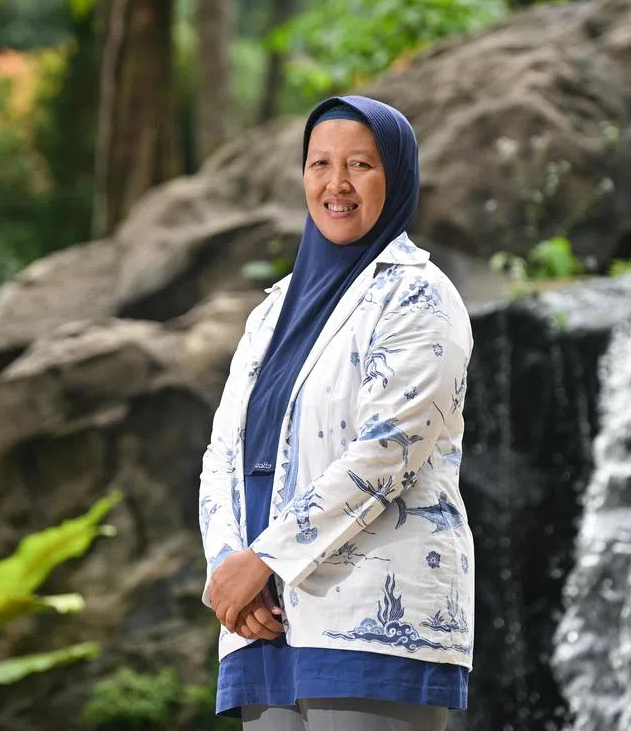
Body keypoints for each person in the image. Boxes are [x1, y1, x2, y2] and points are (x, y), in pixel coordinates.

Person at [198, 95, 475, 731]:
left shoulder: (421, 297)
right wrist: (228, 573)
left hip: (374, 621)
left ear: (397, 176)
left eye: (361, 164)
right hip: (260, 622)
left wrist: (264, 561)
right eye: (319, 163)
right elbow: (221, 455)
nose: (336, 184)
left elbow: (387, 452)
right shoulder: (270, 314)